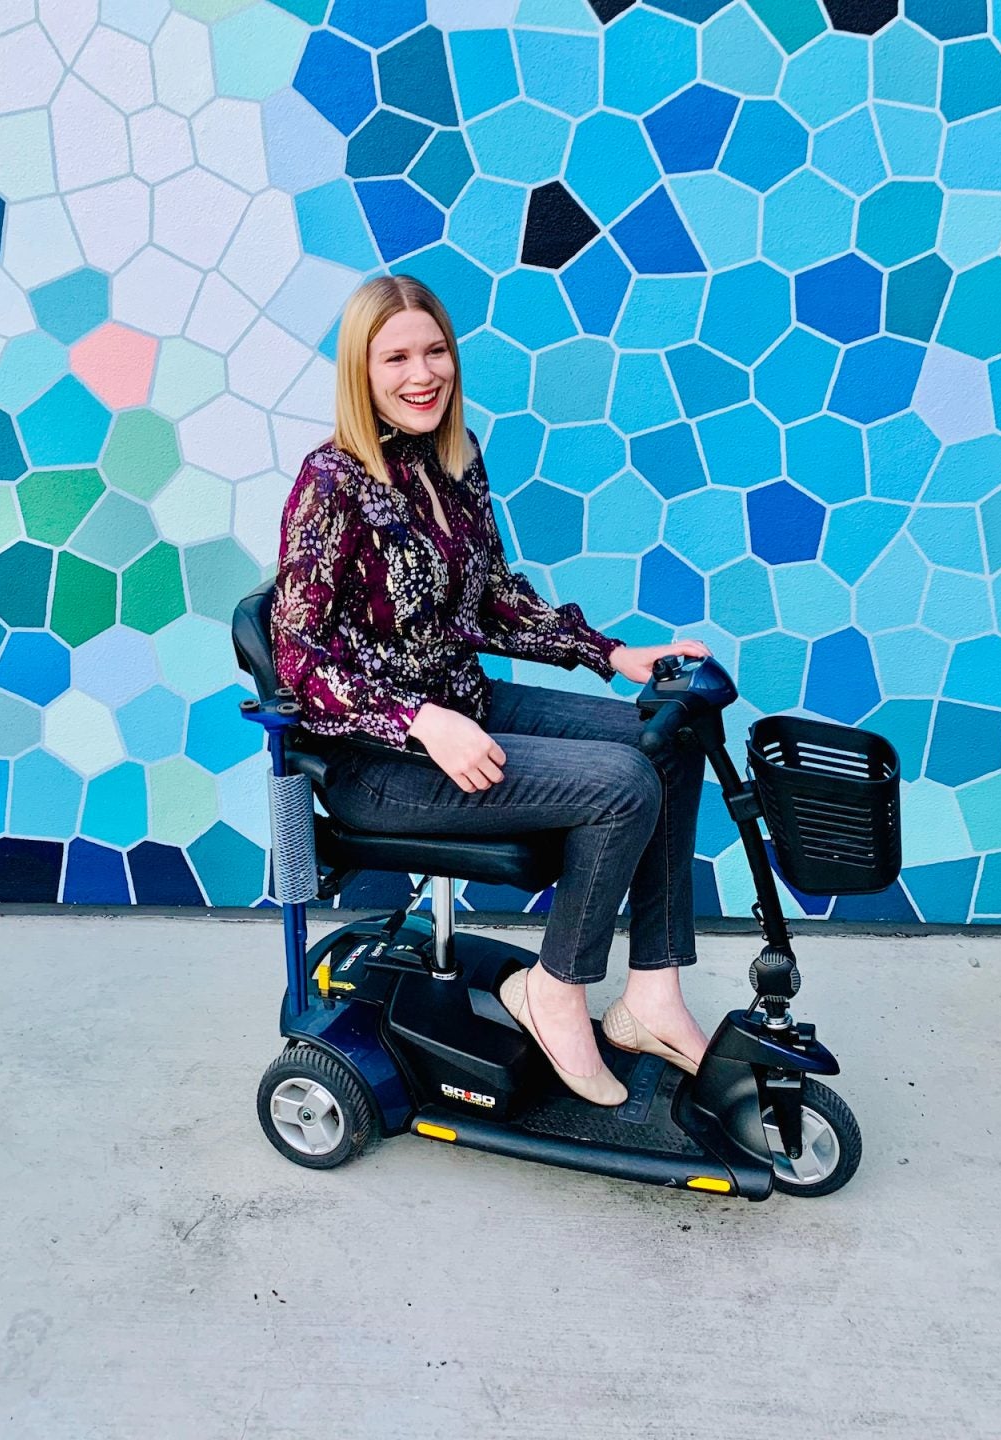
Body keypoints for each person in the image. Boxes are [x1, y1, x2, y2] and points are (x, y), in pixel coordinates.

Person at [270, 274, 713, 1107]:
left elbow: (492, 596)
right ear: (360, 373)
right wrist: (417, 719)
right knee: (621, 786)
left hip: (467, 707)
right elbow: (298, 660)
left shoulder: (456, 454)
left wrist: (611, 652)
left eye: (434, 350)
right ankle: (555, 987)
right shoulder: (329, 485)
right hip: (381, 765)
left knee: (671, 733)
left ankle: (651, 998)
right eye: (395, 357)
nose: (421, 374)